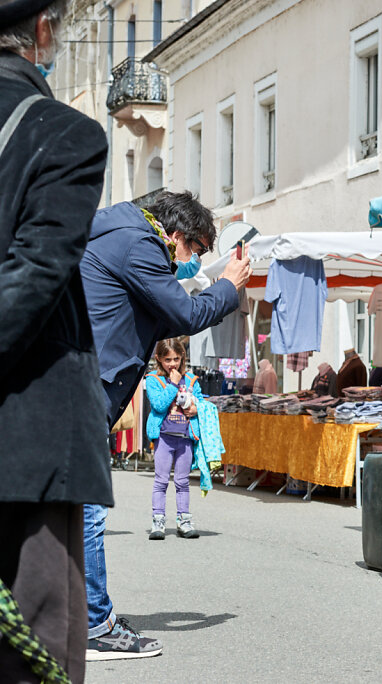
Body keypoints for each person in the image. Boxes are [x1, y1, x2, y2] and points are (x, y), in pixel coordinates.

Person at [80, 190, 251, 660]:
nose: (190, 260)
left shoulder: (120, 234)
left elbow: (160, 310)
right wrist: (230, 287)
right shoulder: (140, 245)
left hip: (71, 382)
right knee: (87, 510)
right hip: (80, 389)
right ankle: (94, 625)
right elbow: (186, 315)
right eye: (193, 250)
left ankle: (81, 616)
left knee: (62, 509)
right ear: (175, 233)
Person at [0, 1, 111, 679]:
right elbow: (34, 275)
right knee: (31, 650)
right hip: (25, 438)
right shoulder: (64, 132)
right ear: (43, 31)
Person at [145, 338, 203, 540]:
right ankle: (158, 520)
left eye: (176, 359)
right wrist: (173, 383)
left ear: (182, 358)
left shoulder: (192, 379)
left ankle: (184, 520)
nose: (172, 364)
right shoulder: (153, 379)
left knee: (182, 482)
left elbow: (202, 404)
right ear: (158, 358)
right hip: (164, 437)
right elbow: (159, 405)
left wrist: (196, 409)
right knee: (161, 481)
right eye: (168, 359)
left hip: (185, 438)